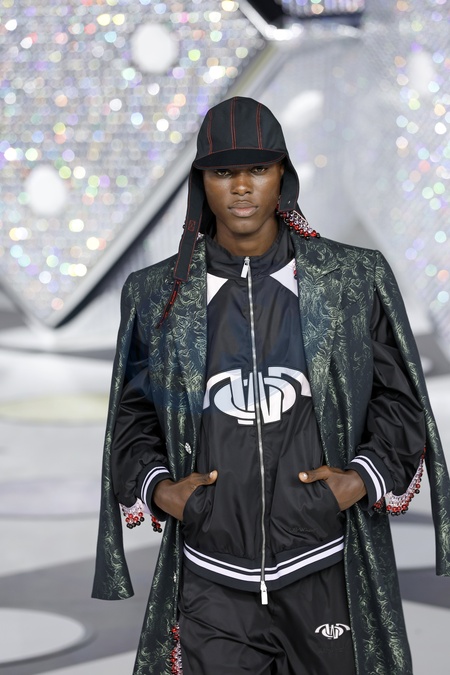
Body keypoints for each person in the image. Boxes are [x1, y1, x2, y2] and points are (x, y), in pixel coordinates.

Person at [93, 97, 450, 675]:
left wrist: (358, 481)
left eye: (257, 169)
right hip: (211, 577)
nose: (241, 187)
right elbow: (132, 418)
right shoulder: (158, 294)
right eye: (223, 172)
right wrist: (162, 490)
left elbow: (400, 403)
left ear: (282, 173)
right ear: (201, 182)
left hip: (324, 565)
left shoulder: (351, 278)